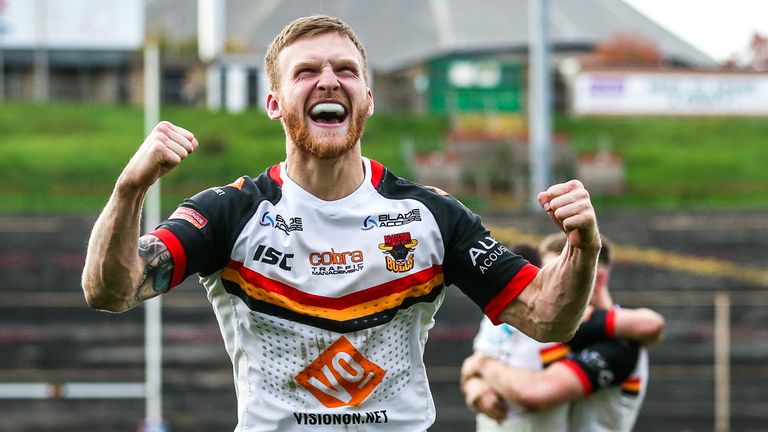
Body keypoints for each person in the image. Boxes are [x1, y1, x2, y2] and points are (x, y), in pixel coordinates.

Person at [81, 15, 602, 431]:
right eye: (306, 71)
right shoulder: (230, 211)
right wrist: (130, 190)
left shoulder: (432, 215)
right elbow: (110, 290)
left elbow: (547, 319)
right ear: (274, 102)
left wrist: (583, 248)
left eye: (346, 70)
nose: (328, 80)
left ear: (367, 100)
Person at [462, 233, 665, 432]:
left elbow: (535, 393)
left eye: (558, 278)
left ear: (598, 280)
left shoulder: (622, 343)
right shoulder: (559, 327)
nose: (546, 287)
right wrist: (474, 383)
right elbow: (491, 357)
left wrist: (481, 364)